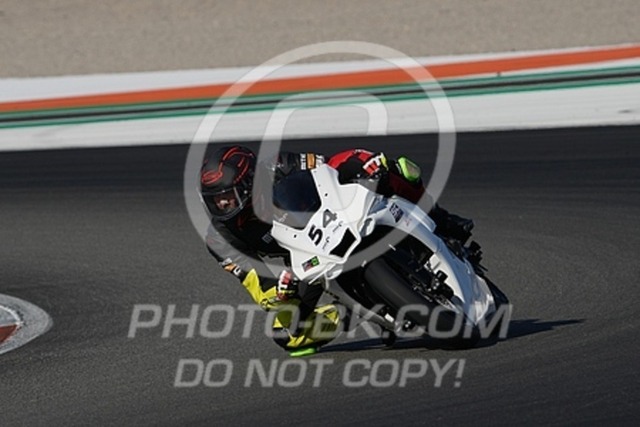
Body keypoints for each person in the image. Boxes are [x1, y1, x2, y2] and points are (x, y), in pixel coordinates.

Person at [199, 145, 473, 355]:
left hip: (333, 220)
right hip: (301, 262)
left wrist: (366, 164)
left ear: (249, 185)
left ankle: (443, 219)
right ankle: (346, 312)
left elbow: (330, 166)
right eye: (215, 201)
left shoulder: (279, 165)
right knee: (289, 334)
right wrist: (280, 293)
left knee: (394, 168)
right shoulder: (219, 239)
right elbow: (257, 284)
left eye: (228, 197)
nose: (222, 206)